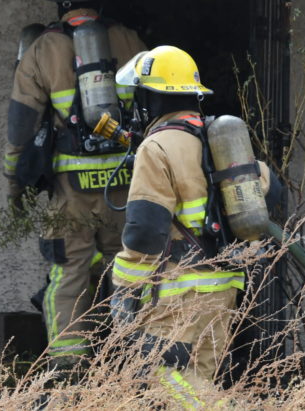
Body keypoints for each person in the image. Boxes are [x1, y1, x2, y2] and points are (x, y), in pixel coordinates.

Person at [110, 45, 280, 409]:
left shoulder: (156, 147)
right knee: (198, 381)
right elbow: (273, 189)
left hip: (180, 294)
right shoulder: (219, 138)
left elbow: (145, 231)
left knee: (162, 375)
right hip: (224, 289)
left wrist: (124, 289)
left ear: (151, 98)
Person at [3, 0, 146, 368]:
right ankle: (131, 366)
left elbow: (21, 129)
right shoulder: (129, 39)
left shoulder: (42, 50)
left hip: (71, 193)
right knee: (129, 272)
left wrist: (14, 187)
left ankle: (69, 370)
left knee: (68, 275)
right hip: (124, 188)